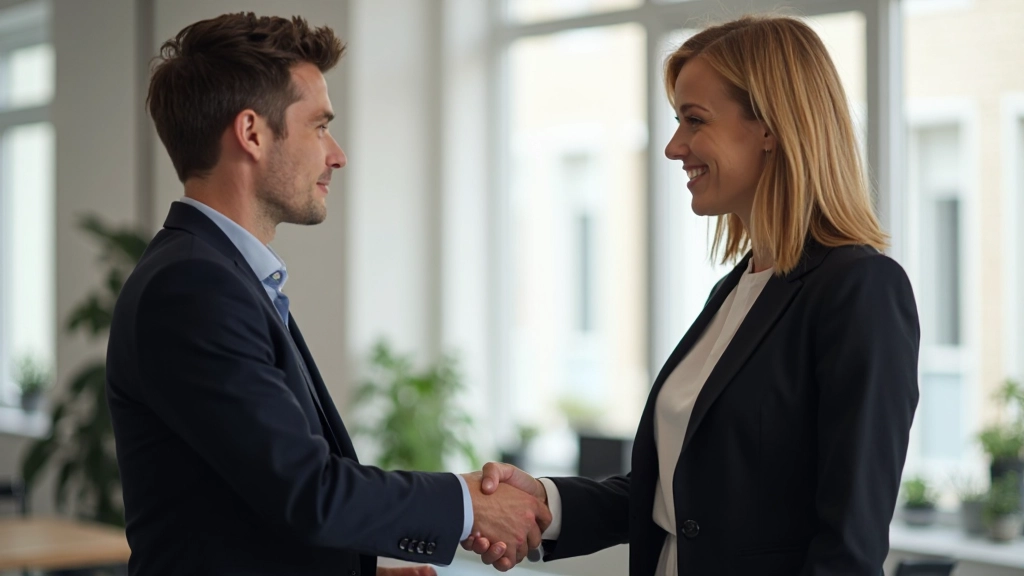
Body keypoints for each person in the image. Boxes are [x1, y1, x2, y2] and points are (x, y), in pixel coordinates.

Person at [466, 15, 920, 576]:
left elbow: (848, 547)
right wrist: (543, 500)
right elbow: (682, 502)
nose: (674, 147)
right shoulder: (738, 290)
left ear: (771, 129)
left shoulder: (859, 289)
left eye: (694, 120)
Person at [105, 12, 549, 576]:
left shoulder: (222, 276)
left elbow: (245, 502)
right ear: (252, 133)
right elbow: (307, 490)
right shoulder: (193, 287)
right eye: (319, 126)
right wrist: (467, 507)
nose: (336, 154)